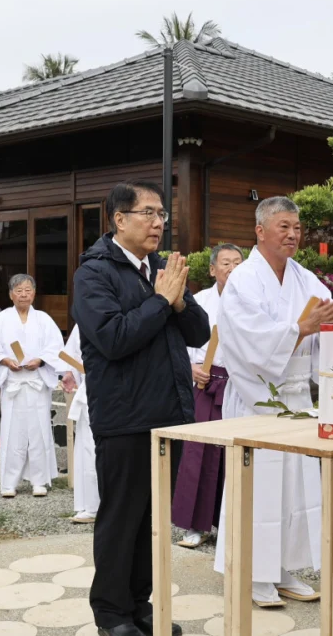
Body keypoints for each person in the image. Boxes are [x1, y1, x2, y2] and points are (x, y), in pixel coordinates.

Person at [73, 180, 210, 636]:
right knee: (121, 518)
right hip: (124, 417)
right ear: (119, 219)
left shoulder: (161, 268)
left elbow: (199, 333)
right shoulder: (94, 273)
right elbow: (112, 338)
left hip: (168, 412)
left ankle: (138, 604)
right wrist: (160, 300)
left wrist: (177, 300)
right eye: (148, 213)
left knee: (152, 520)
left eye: (161, 214)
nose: (158, 223)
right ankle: (111, 614)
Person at [212, 196, 333, 607]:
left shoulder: (307, 280)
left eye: (297, 228)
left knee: (295, 489)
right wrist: (301, 328)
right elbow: (247, 341)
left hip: (297, 399)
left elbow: (322, 331)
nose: (293, 235)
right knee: (258, 488)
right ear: (260, 231)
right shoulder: (243, 280)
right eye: (284, 226)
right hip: (256, 397)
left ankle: (283, 567)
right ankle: (251, 572)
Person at [173, 243, 244, 549]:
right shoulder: (199, 301)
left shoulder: (253, 300)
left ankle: (234, 526)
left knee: (236, 455)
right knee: (198, 452)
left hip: (241, 386)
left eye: (238, 263)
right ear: (213, 269)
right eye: (226, 263)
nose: (232, 268)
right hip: (206, 383)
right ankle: (195, 526)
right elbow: (178, 342)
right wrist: (189, 368)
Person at [0, 274, 63, 498]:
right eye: (19, 291)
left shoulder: (44, 320)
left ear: (34, 293)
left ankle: (39, 481)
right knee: (12, 433)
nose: (23, 295)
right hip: (13, 384)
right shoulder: (0, 320)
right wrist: (5, 361)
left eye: (28, 290)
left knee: (39, 432)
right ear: (11, 295)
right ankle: (9, 482)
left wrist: (41, 360)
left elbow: (56, 348)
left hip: (37, 383)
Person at [61, 324, 98, 523]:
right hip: (89, 389)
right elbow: (73, 353)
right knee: (87, 448)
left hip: (120, 391)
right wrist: (71, 374)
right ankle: (91, 506)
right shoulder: (86, 316)